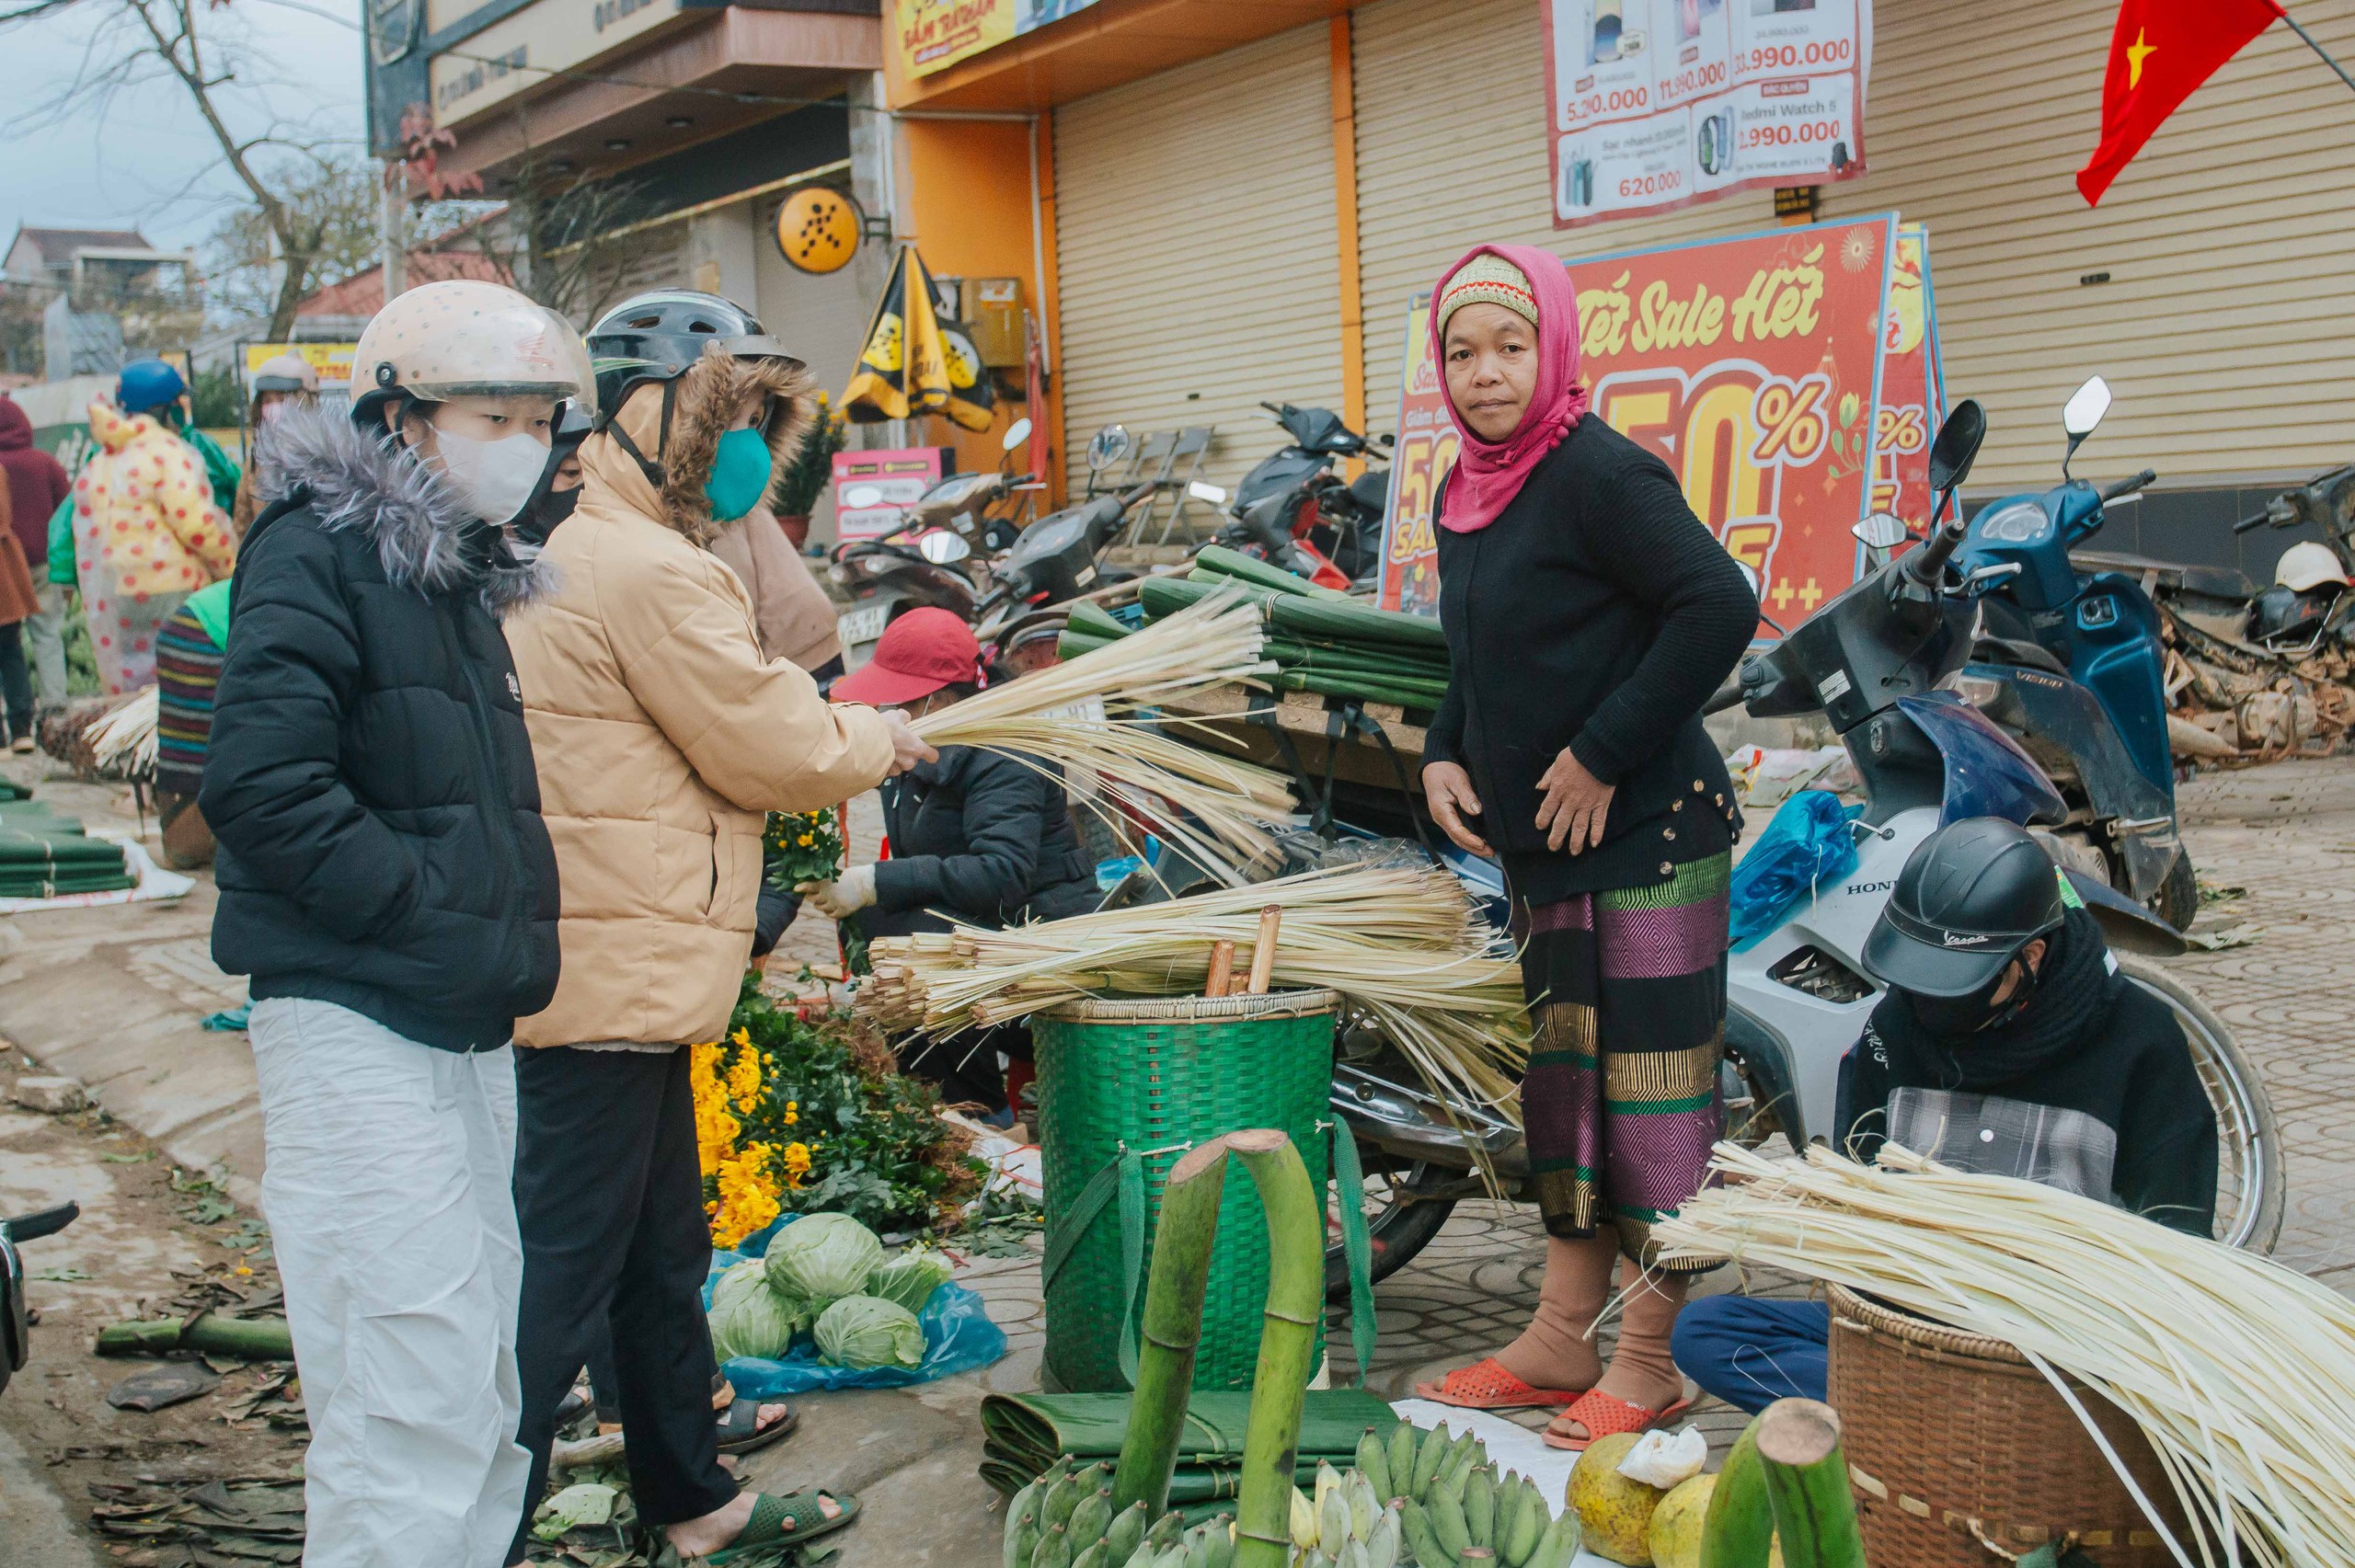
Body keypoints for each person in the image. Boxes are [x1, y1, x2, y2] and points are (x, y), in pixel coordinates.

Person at [500, 289, 930, 1566]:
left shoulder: (592, 538)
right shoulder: (638, 562)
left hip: (616, 968)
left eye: (758, 419)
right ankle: (470, 1528)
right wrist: (882, 736)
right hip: (605, 972)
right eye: (721, 415)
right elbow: (773, 738)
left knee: (652, 1249)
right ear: (645, 414)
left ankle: (693, 1499)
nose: (744, 447)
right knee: (558, 1282)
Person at [201, 279, 591, 1568]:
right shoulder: (317, 547)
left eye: (541, 417)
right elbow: (261, 785)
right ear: (400, 415)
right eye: (497, 413)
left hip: (460, 1017)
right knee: (404, 1387)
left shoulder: (454, 578)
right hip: (355, 1014)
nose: (524, 444)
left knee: (479, 1387)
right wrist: (424, 915)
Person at [1407, 246, 1758, 1451]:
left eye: (1510, 348)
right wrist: (1446, 748)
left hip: (1652, 833)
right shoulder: (1468, 490)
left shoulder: (1600, 475)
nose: (1488, 375)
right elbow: (1474, 650)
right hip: (1547, 855)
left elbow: (1718, 602)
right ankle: (1563, 1336)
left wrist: (1604, 749)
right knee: (1565, 1100)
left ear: (1552, 349)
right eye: (1463, 353)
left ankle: (1651, 1358)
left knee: (1655, 1105)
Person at [1671, 818, 2220, 1413]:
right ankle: (1926, 1411)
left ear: (2030, 958)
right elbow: (1863, 1189)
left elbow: (2180, 1244)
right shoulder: (1895, 1027)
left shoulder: (2138, 1040)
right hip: (1915, 1327)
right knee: (1705, 1331)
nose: (1927, 1006)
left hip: (2059, 1356)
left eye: (1953, 986)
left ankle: (1907, 1414)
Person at [801, 607, 1098, 1112]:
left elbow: (1000, 875)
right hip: (978, 932)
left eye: (898, 699)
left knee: (914, 950)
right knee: (883, 924)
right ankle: (923, 1105)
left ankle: (979, 1118)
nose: (885, 711)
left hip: (1038, 942)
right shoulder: (919, 748)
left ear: (935, 700)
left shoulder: (1006, 753)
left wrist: (876, 880)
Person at [73, 359, 236, 694]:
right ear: (163, 409)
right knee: (182, 682)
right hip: (174, 590)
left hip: (121, 594)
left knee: (138, 688)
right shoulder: (169, 452)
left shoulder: (102, 461)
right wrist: (232, 568)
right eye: (179, 404)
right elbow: (198, 526)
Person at [0, 395, 74, 707]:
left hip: (4, 570)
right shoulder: (45, 463)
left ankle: (14, 713)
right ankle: (55, 704)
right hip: (44, 564)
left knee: (7, 644)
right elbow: (69, 510)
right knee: (47, 634)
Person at [232, 352, 322, 538]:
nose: (274, 408)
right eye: (267, 401)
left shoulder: (324, 456)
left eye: (282, 399)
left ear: (306, 400)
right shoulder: (256, 460)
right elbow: (243, 520)